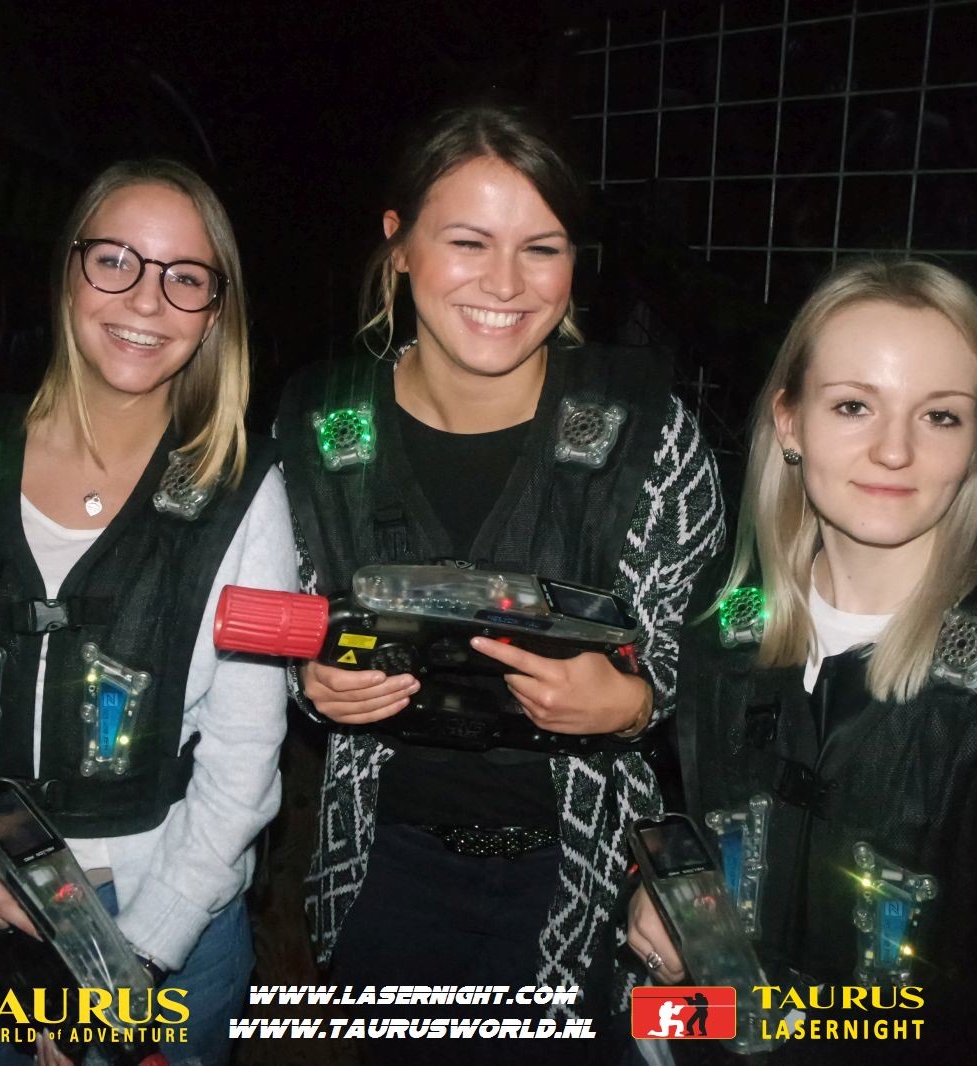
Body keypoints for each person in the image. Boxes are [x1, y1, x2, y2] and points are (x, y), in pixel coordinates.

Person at [0, 159, 296, 1065]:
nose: (146, 299)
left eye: (184, 277)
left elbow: (243, 757)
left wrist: (125, 967)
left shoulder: (242, 493)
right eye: (115, 260)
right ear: (68, 271)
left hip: (165, 930)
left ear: (213, 314)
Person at [275, 105, 726, 1058]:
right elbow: (285, 627)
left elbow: (722, 662)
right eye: (467, 242)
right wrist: (313, 682)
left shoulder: (649, 433)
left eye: (541, 248)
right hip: (384, 875)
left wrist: (635, 704)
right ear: (399, 245)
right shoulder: (316, 426)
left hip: (590, 886)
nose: (506, 283)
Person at [627, 259, 977, 1062]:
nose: (894, 450)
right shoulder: (725, 619)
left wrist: (820, 1032)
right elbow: (682, 808)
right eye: (853, 406)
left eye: (939, 416)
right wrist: (661, 893)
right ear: (789, 423)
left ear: (975, 445)